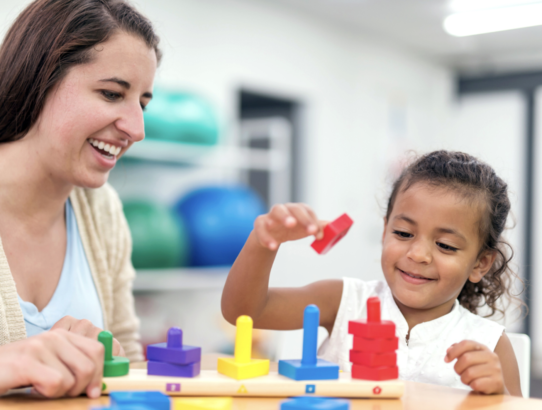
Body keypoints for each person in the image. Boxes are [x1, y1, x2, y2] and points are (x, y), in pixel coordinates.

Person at [222, 150, 524, 396]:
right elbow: (245, 312)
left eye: (445, 245)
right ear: (384, 230)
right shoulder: (342, 300)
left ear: (480, 264)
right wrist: (263, 243)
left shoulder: (491, 343)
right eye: (404, 233)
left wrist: (499, 395)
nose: (417, 254)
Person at [0, 0, 160, 398]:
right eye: (111, 94)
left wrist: (111, 361)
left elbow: (131, 362)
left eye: (141, 103)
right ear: (41, 78)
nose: (136, 129)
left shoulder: (103, 211)